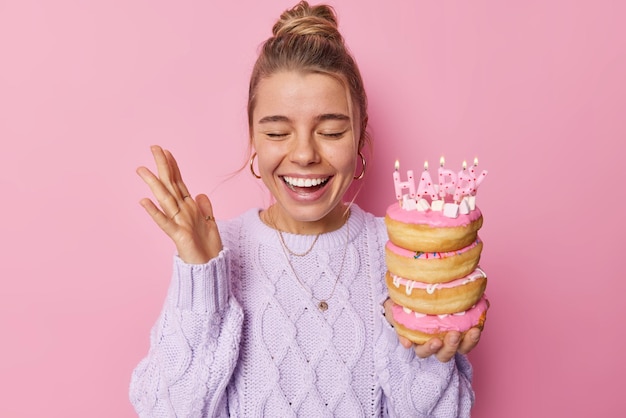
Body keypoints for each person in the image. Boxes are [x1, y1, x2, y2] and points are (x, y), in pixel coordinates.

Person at [129, 2, 482, 417]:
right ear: (254, 140)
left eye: (331, 131)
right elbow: (163, 411)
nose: (303, 154)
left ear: (359, 136)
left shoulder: (405, 252)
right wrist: (201, 280)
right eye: (278, 131)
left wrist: (422, 343)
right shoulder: (218, 252)